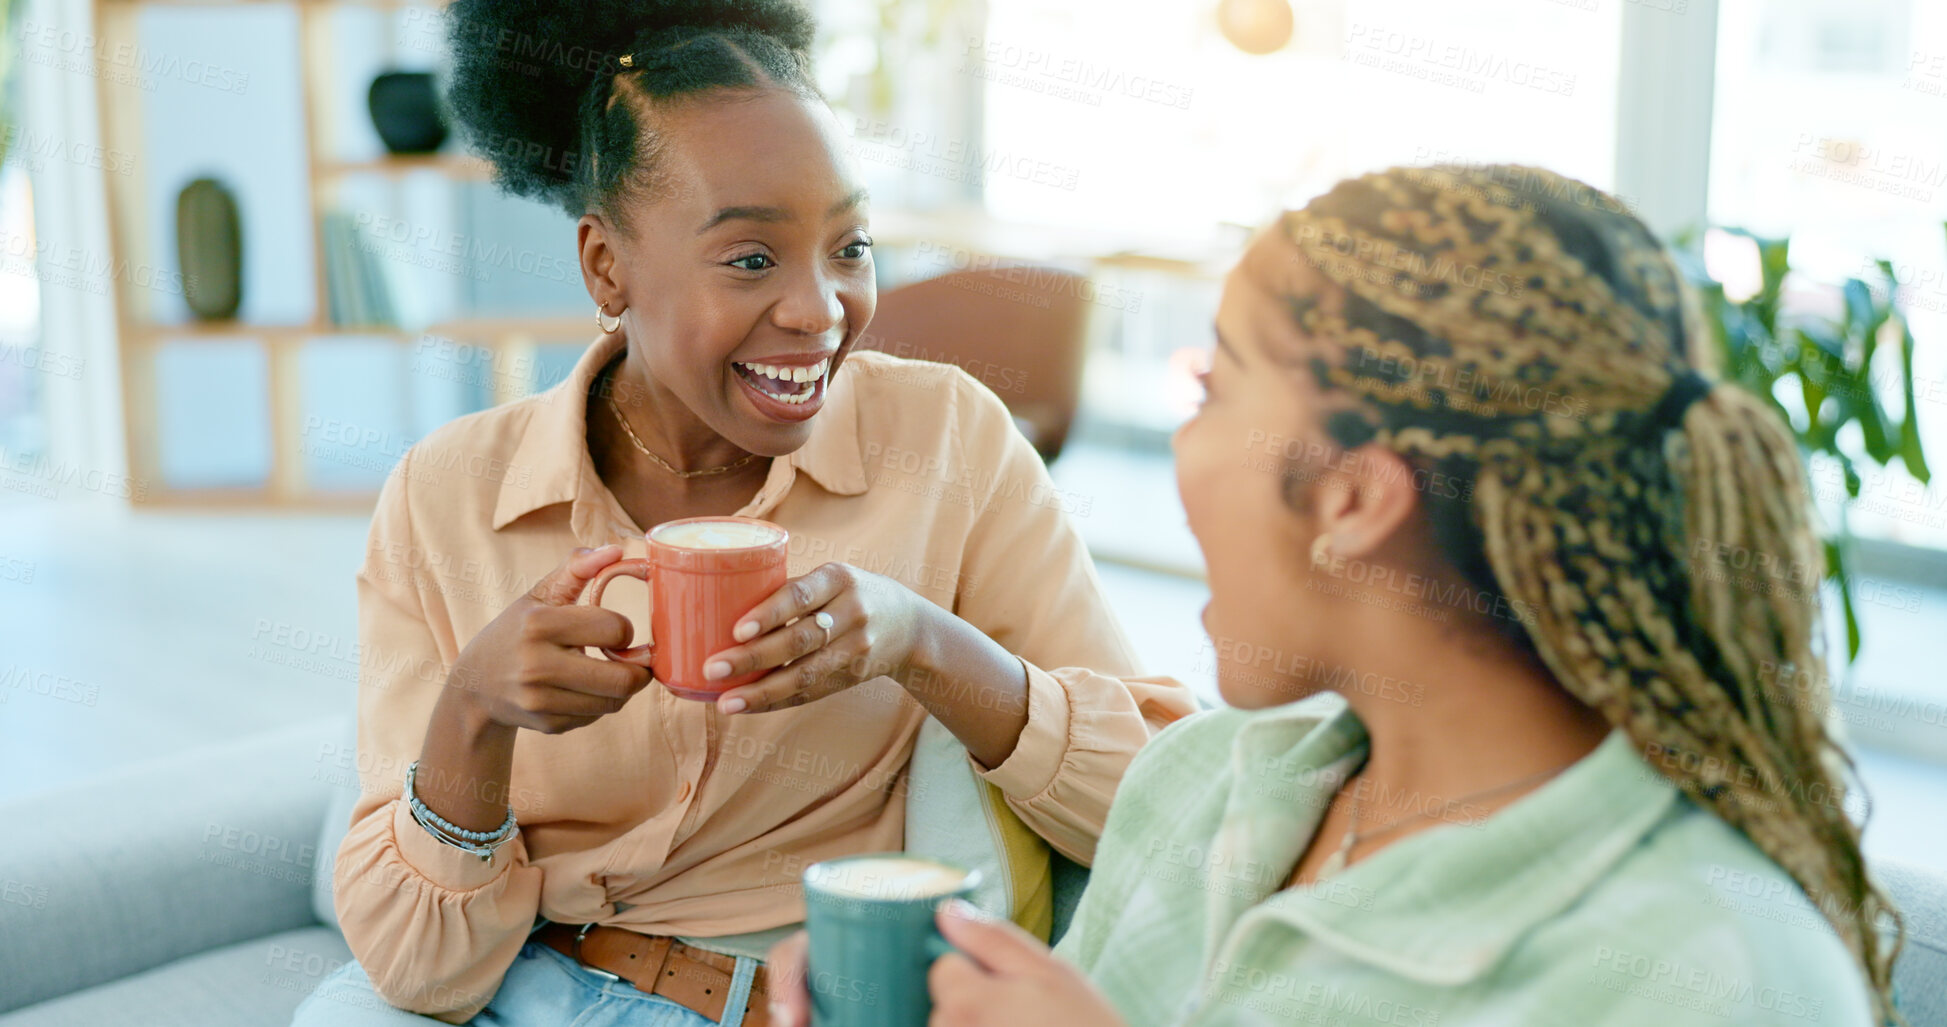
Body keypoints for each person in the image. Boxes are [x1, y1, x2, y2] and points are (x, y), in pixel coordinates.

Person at [767, 164, 1903, 1025]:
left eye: (1213, 388)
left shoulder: (1716, 972)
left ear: (1356, 499)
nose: (1180, 448)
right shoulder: (1198, 788)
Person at [293, 1, 1194, 1024]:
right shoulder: (448, 492)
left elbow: (1168, 808)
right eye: (752, 259)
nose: (821, 309)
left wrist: (920, 640)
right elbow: (414, 971)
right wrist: (473, 714)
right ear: (606, 268)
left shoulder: (946, 441)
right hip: (512, 991)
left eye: (849, 246)